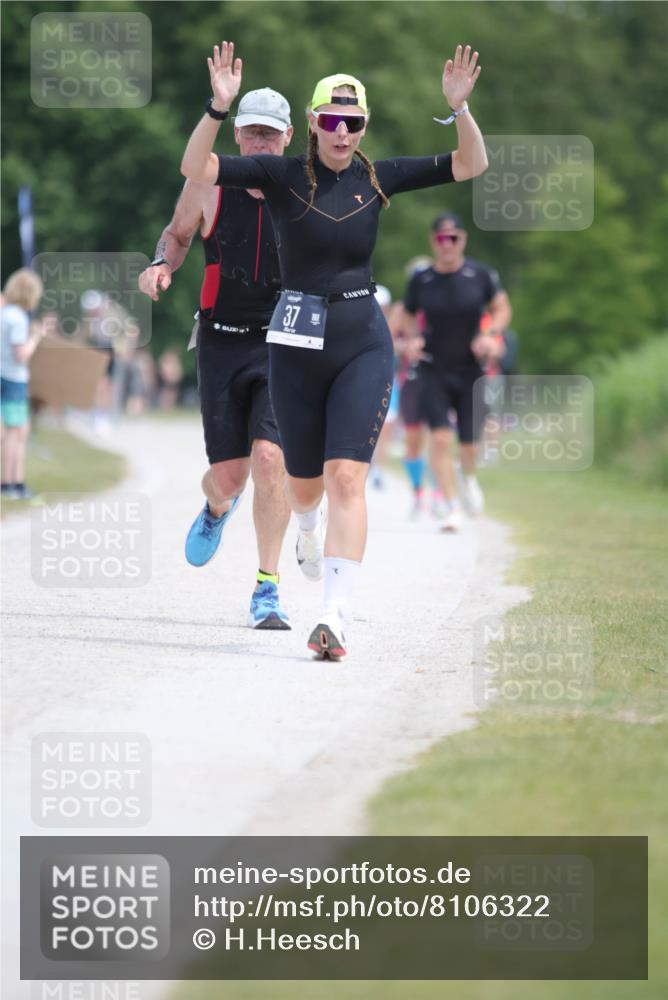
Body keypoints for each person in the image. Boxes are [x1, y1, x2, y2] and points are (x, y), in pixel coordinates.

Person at [181, 40, 488, 658]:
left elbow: (470, 164)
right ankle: (306, 527)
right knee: (304, 488)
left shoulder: (379, 176)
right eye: (331, 119)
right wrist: (217, 109)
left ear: (364, 126)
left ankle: (334, 617)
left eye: (354, 121)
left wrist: (459, 109)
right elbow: (197, 167)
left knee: (347, 475)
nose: (342, 132)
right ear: (313, 123)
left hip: (360, 340)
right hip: (296, 344)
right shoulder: (281, 175)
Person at [138, 88, 297, 629]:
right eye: (252, 132)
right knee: (227, 478)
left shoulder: (305, 187)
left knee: (270, 459)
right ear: (237, 134)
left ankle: (267, 588)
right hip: (221, 341)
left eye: (270, 134)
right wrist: (161, 265)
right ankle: (215, 509)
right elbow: (177, 235)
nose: (260, 143)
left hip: (282, 342)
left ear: (288, 137)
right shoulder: (208, 181)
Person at [403, 212, 512, 531]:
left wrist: (490, 334)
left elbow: (502, 308)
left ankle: (469, 477)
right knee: (439, 439)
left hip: (470, 369)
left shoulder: (480, 275)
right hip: (433, 368)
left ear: (463, 240)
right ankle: (452, 507)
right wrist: (413, 338)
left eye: (453, 238)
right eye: (441, 238)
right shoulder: (421, 279)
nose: (447, 244)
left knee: (469, 444)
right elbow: (406, 313)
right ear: (433, 241)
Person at [1, 268, 45, 500]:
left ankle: (10, 483)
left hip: (3, 375)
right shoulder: (17, 318)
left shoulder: (4, 314)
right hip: (14, 379)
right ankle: (12, 483)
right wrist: (36, 337)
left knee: (10, 432)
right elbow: (21, 355)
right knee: (16, 433)